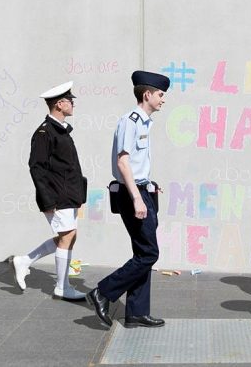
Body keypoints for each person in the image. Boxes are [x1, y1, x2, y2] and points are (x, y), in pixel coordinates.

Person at [86, 70, 170, 329]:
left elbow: (135, 163)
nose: (163, 100)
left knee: (142, 251)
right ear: (147, 95)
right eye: (160, 95)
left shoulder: (144, 122)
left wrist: (148, 184)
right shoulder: (130, 121)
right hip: (131, 194)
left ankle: (136, 312)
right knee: (149, 253)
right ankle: (103, 291)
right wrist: (137, 197)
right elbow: (123, 162)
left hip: (143, 190)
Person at [10, 81, 88, 301]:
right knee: (68, 236)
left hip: (67, 194)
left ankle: (25, 261)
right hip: (57, 195)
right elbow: (37, 167)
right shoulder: (45, 132)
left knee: (69, 237)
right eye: (69, 100)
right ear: (60, 105)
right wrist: (47, 199)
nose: (72, 104)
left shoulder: (60, 131)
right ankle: (62, 287)